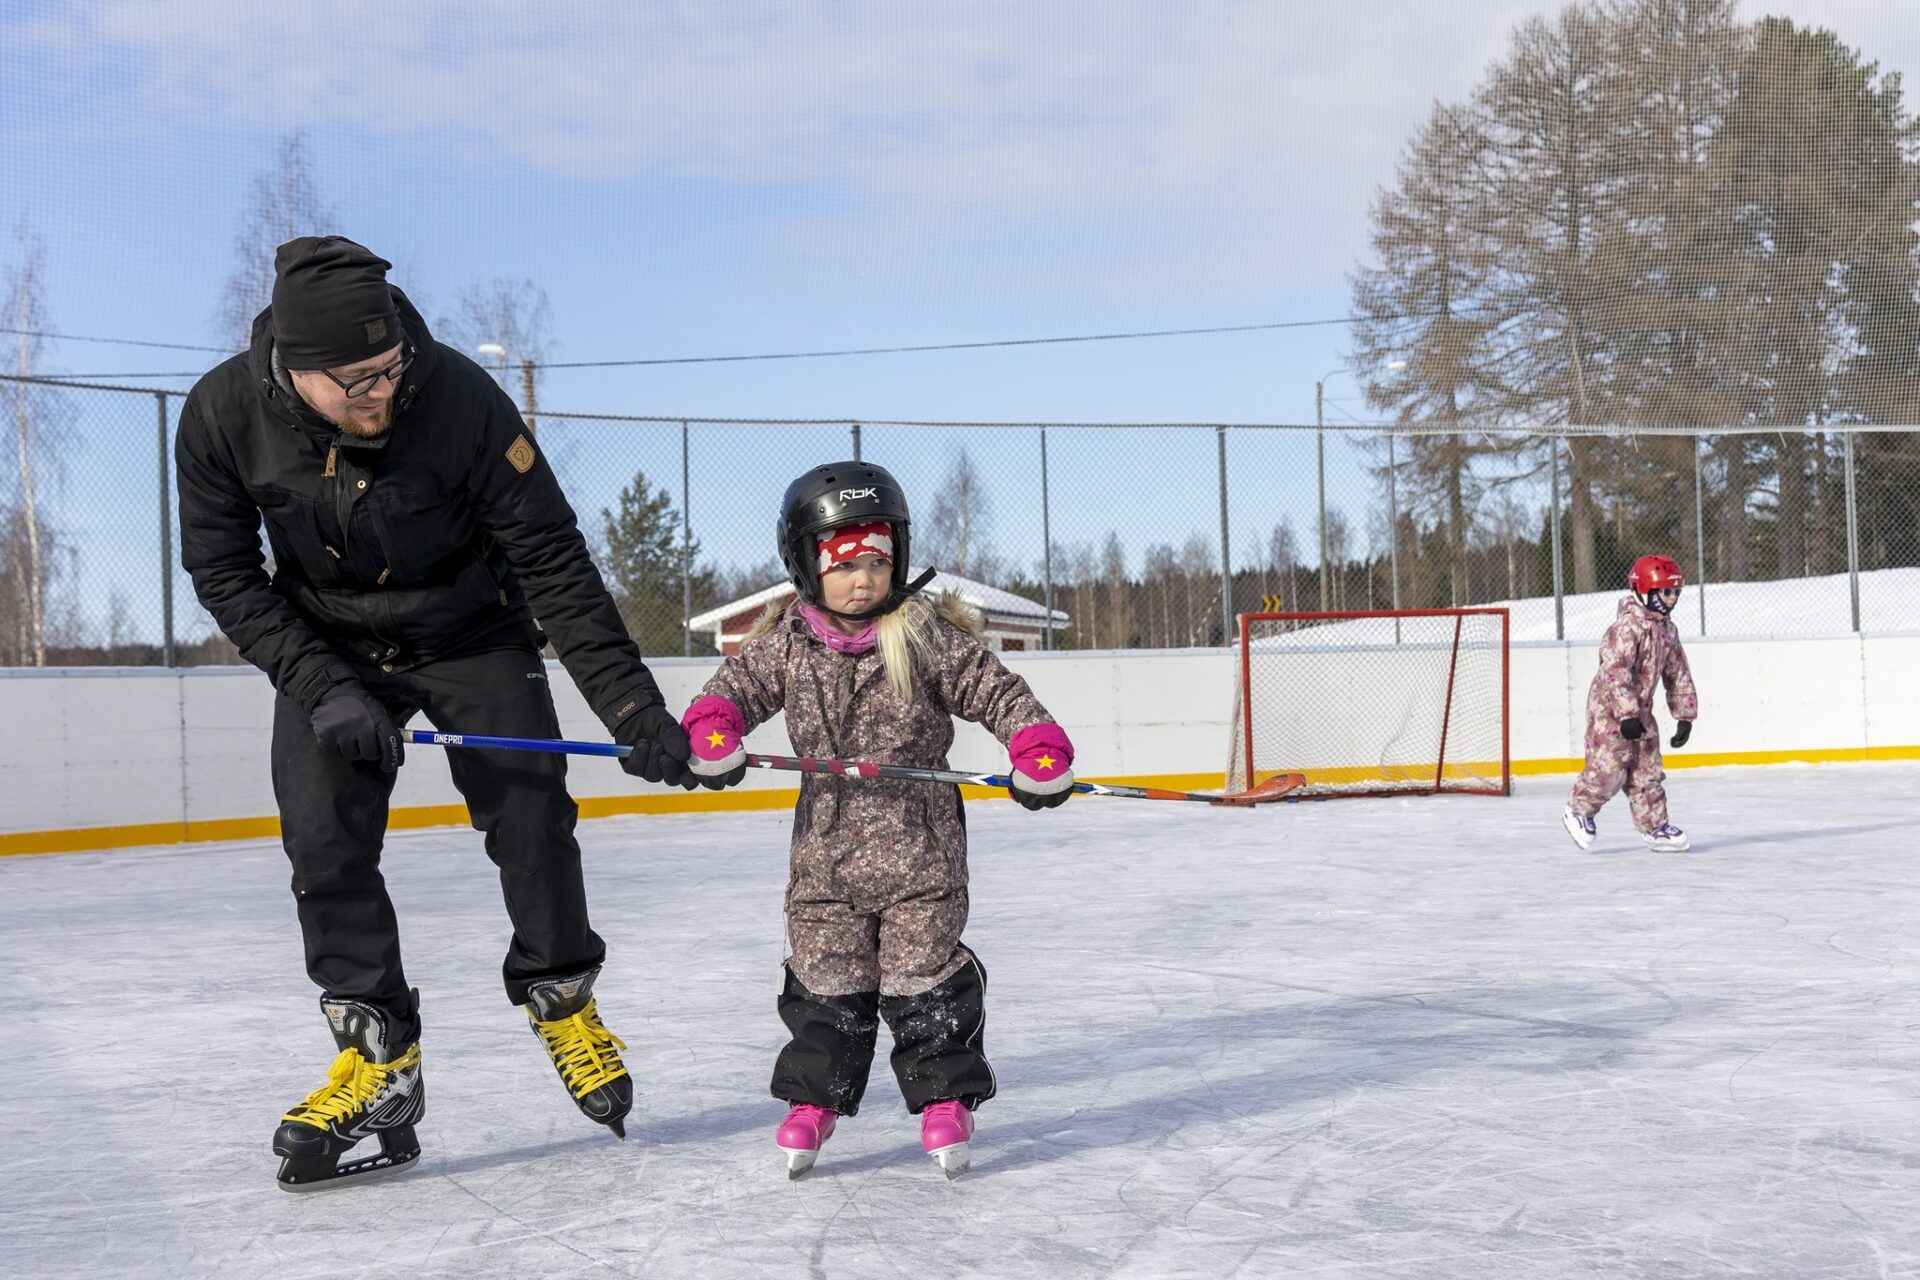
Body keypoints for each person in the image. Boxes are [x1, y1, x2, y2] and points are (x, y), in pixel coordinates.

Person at [176, 236, 701, 1189]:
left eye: (388, 369)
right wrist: (321, 685)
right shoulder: (220, 414)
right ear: (293, 370)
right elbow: (220, 570)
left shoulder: (459, 398)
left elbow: (552, 560)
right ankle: (381, 1059)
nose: (378, 392)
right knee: (323, 838)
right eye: (354, 381)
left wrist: (631, 706)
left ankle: (561, 992)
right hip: (325, 645)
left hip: (472, 630)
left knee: (531, 808)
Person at [676, 461, 1075, 1178]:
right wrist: (712, 730)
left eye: (878, 560)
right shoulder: (786, 645)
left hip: (920, 853)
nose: (864, 579)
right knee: (825, 980)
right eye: (844, 563)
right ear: (805, 563)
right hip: (824, 857)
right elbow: (732, 689)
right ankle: (813, 1100)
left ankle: (946, 1098)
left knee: (923, 978)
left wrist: (1035, 746)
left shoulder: (921, 635)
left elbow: (996, 689)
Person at [1563, 553, 1699, 854]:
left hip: (1641, 708)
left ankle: (1655, 826)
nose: (1672, 599)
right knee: (1610, 767)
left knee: (1646, 768)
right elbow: (1615, 672)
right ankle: (1579, 809)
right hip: (1610, 709)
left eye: (1676, 592)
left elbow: (1677, 671)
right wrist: (1625, 714)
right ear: (1645, 590)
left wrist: (1685, 715)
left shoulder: (1667, 630)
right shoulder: (1626, 629)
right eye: (1666, 592)